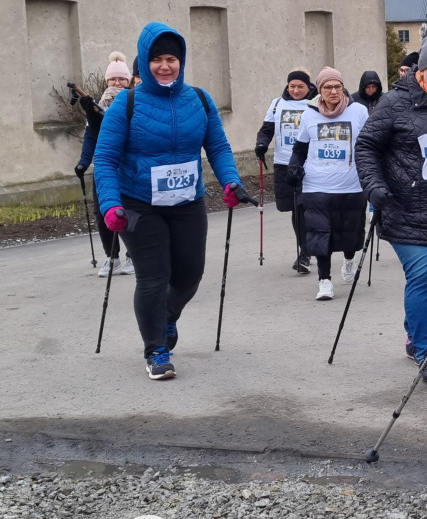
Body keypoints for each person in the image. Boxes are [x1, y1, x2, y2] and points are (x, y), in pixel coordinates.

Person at [93, 22, 250, 381]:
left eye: (172, 59)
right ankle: (156, 350)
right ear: (144, 62)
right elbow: (104, 160)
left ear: (181, 61)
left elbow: (219, 147)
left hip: (187, 201)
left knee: (189, 275)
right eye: (157, 59)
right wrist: (110, 205)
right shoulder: (126, 105)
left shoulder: (199, 99)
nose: (165, 66)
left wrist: (231, 182)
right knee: (153, 275)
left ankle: (166, 319)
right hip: (138, 203)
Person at [355, 28, 427, 382]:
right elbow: (366, 147)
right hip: (405, 208)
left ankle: (413, 333)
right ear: (422, 72)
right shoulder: (395, 103)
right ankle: (426, 351)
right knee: (422, 274)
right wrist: (374, 186)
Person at [287, 67, 369, 301]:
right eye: (327, 87)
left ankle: (349, 259)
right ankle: (324, 281)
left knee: (350, 233)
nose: (333, 91)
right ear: (320, 90)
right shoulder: (309, 114)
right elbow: (300, 149)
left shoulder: (358, 112)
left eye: (337, 86)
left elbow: (370, 145)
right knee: (319, 233)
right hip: (316, 185)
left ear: (343, 88)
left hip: (351, 185)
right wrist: (294, 168)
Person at [73, 51, 134, 277]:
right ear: (106, 81)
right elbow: (93, 137)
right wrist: (83, 162)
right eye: (112, 79)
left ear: (128, 81)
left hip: (128, 167)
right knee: (102, 212)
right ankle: (112, 257)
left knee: (131, 211)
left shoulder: (134, 103)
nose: (117, 83)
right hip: (104, 168)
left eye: (121, 79)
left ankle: (133, 255)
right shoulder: (97, 104)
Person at [254, 68, 317, 273]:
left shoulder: (316, 103)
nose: (296, 90)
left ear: (308, 87)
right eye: (292, 86)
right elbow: (266, 130)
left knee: (303, 207)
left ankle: (305, 252)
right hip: (284, 163)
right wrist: (262, 144)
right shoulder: (277, 104)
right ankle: (305, 248)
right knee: (292, 207)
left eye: (300, 86)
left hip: (309, 162)